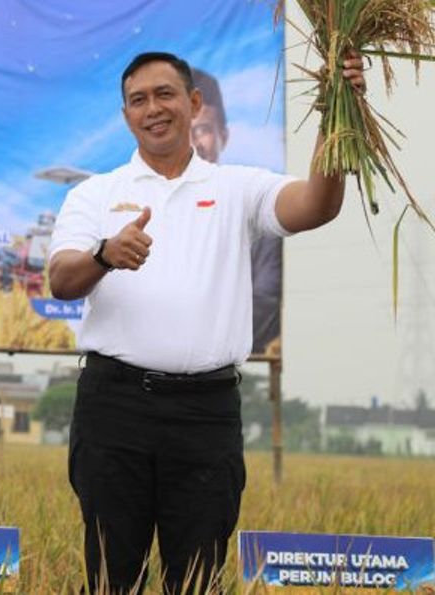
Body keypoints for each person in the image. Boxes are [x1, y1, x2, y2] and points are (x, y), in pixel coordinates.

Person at [48, 51, 363, 593]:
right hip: (114, 409)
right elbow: (61, 277)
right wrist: (104, 253)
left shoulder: (238, 188)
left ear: (194, 104)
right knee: (111, 575)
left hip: (205, 415)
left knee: (197, 579)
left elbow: (316, 205)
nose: (154, 109)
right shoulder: (94, 194)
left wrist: (341, 110)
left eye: (166, 94)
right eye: (139, 100)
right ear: (126, 115)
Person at [191, 69, 282, 355]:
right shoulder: (145, 213)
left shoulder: (254, 207)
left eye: (202, 130)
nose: (193, 144)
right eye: (183, 132)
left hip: (226, 369)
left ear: (223, 136)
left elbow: (265, 301)